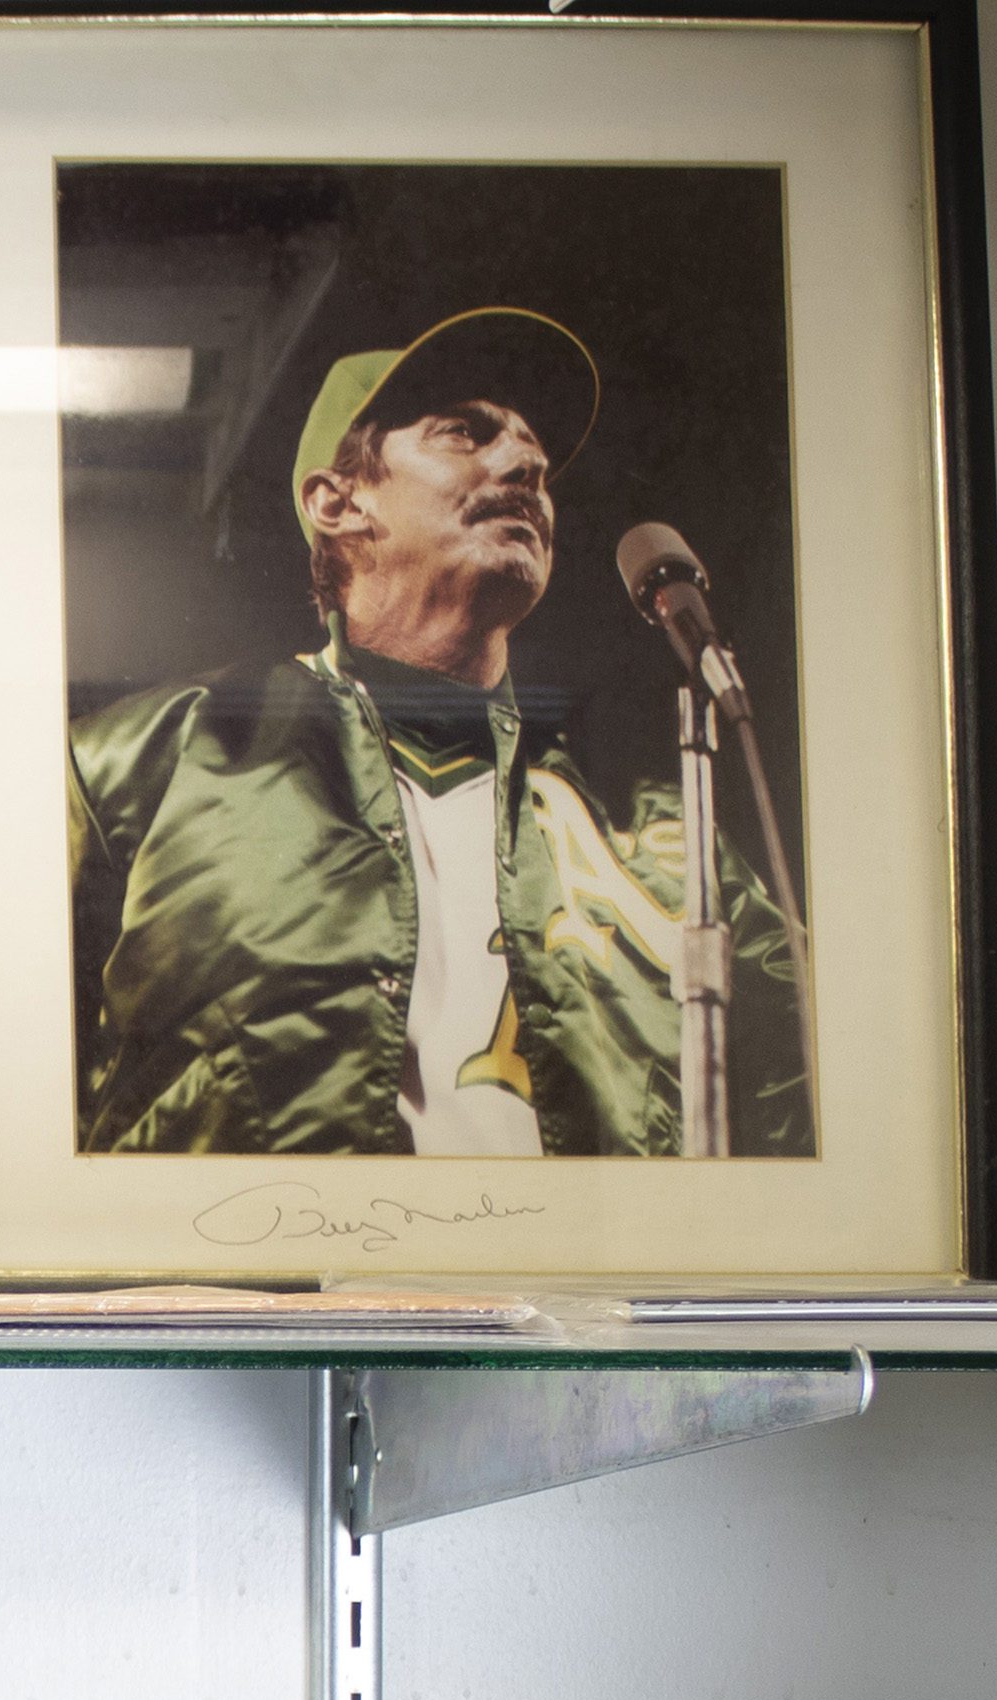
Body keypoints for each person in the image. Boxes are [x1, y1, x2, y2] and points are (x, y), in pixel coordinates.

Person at [68, 304, 802, 1163]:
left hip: (573, 1296)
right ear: (338, 501)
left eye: (534, 452)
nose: (527, 461)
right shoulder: (145, 758)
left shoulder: (676, 855)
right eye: (466, 433)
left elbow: (812, 1138)